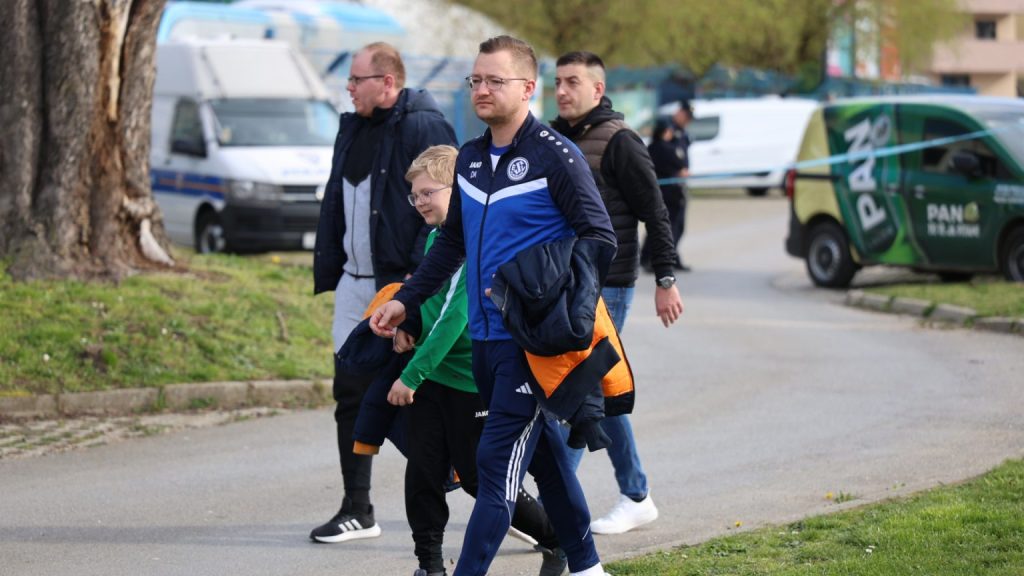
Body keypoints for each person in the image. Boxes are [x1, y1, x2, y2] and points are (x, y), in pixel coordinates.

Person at [371, 35, 616, 576]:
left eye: (494, 81)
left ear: (528, 88)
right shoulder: (471, 158)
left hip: (529, 341)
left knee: (494, 464)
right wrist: (407, 301)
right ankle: (587, 566)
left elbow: (599, 238)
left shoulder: (556, 156)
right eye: (476, 80)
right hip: (483, 341)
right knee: (547, 461)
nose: (481, 89)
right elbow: (453, 244)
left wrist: (551, 304)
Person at [389, 145, 569, 576]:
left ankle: (556, 539)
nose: (420, 203)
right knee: (423, 473)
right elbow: (431, 296)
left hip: (469, 380)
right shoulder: (436, 237)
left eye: (428, 193)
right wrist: (408, 320)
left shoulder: (474, 240)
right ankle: (430, 566)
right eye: (415, 195)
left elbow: (455, 318)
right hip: (432, 377)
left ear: (459, 190)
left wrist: (410, 375)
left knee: (477, 478)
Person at [310, 41, 457, 544]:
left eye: (357, 79)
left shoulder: (423, 125)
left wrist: (416, 288)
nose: (349, 88)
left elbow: (446, 208)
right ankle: (357, 508)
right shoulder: (353, 127)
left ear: (388, 82)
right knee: (350, 393)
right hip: (354, 284)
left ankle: (511, 499)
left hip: (403, 287)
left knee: (429, 400)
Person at [549, 51, 684, 535]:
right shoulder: (553, 137)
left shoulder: (621, 141)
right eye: (557, 82)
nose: (562, 91)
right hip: (563, 283)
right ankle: (636, 494)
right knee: (598, 390)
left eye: (573, 82)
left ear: (598, 89)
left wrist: (665, 279)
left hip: (609, 285)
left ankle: (557, 506)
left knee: (578, 388)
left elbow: (656, 212)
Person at [642, 99, 692, 272]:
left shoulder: (674, 138)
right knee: (666, 226)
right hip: (668, 191)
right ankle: (654, 259)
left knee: (673, 226)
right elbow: (677, 161)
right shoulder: (663, 146)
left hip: (671, 189)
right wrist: (680, 170)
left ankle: (667, 257)